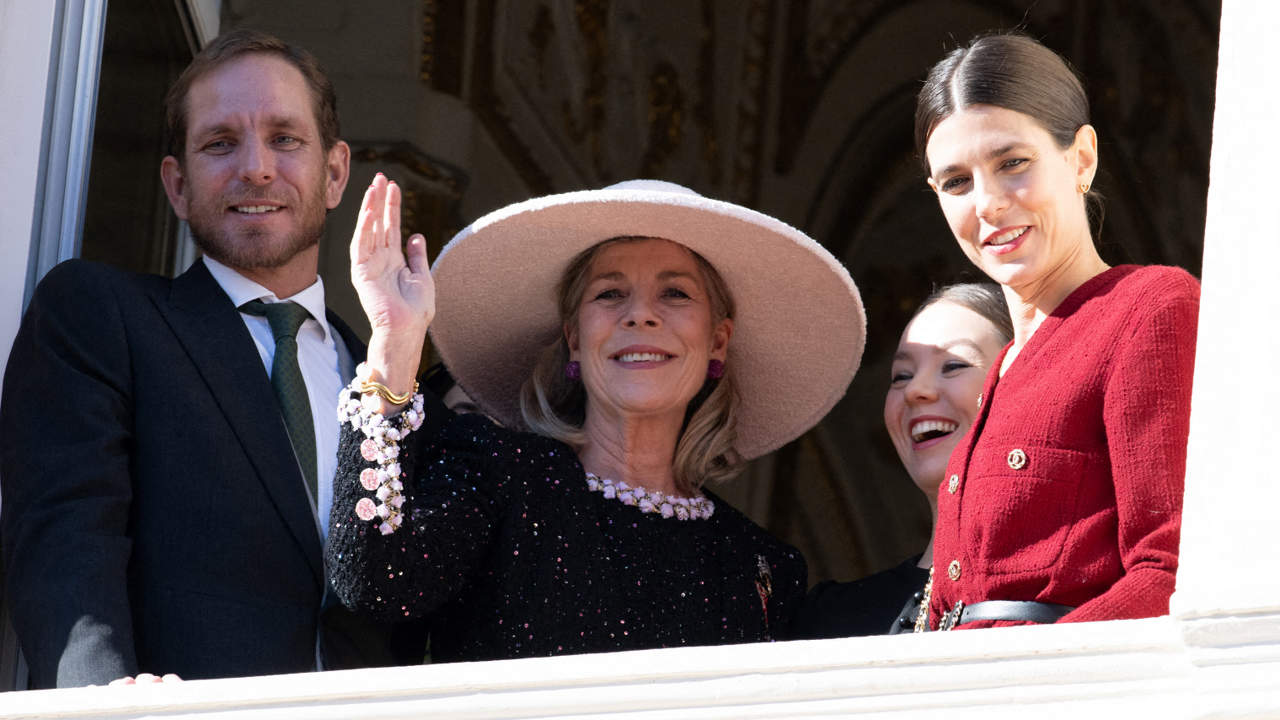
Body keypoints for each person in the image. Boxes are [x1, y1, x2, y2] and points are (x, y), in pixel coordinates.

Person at [0, 30, 424, 688]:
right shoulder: (102, 315)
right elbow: (65, 538)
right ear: (177, 184)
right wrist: (101, 700)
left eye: (285, 138)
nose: (255, 167)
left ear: (335, 172)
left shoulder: (393, 376)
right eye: (220, 143)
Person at [326, 177, 866, 661]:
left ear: (717, 341)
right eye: (610, 294)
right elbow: (374, 579)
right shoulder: (498, 475)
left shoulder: (761, 567)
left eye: (675, 293)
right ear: (574, 340)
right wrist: (394, 347)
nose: (640, 314)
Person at [914, 33, 1200, 630]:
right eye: (957, 182)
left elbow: (1170, 572)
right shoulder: (1002, 368)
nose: (988, 203)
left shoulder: (1148, 307)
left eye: (1012, 163)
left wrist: (1027, 678)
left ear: (1082, 159)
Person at [793, 284, 1012, 638]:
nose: (914, 391)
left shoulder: (1080, 589)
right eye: (901, 376)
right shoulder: (830, 620)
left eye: (954, 365)